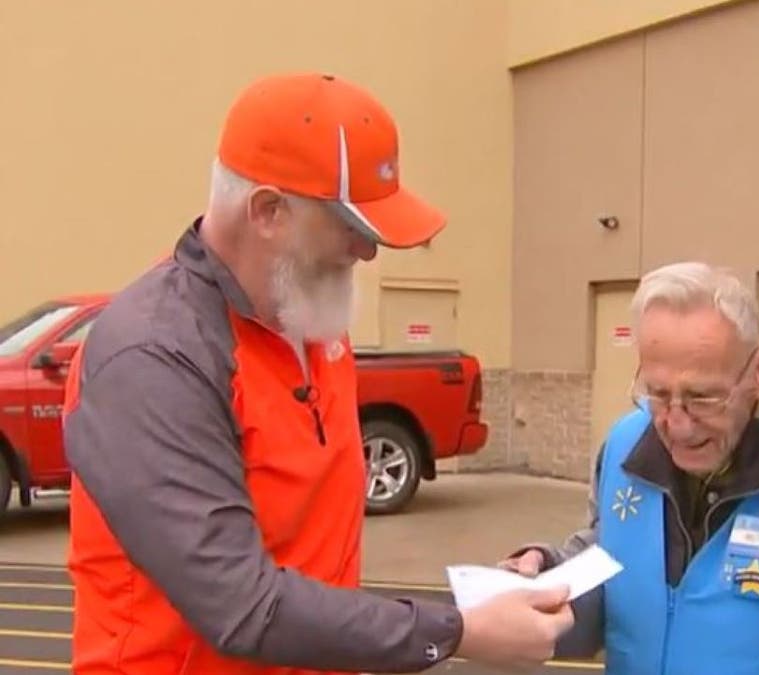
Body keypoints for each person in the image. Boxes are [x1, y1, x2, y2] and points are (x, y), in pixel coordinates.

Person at [61, 72, 572, 675]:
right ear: (269, 211)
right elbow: (239, 604)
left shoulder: (310, 317)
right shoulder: (156, 356)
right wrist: (454, 632)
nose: (368, 253)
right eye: (353, 229)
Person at [500, 262, 759, 674]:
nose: (676, 423)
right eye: (658, 393)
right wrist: (544, 577)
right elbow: (610, 560)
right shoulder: (625, 444)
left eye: (703, 397)